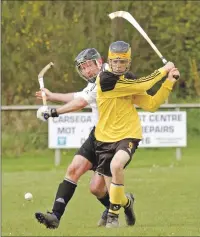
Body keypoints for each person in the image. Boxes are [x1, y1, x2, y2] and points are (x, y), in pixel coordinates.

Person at [94, 40, 180, 228]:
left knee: (117, 165)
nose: (118, 65)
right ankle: (127, 203)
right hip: (104, 138)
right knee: (112, 190)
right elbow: (143, 85)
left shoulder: (130, 80)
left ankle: (113, 217)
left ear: (128, 62)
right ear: (109, 61)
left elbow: (151, 105)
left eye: (122, 62)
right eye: (115, 61)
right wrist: (164, 70)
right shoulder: (106, 80)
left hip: (129, 134)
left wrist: (169, 82)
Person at [35, 48, 110, 229]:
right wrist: (52, 96)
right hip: (97, 135)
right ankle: (55, 216)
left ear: (98, 62)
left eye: (88, 66)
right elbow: (79, 96)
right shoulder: (95, 80)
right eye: (82, 68)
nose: (86, 71)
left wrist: (53, 112)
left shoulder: (107, 77)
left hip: (113, 139)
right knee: (73, 169)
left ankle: (122, 203)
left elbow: (81, 103)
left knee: (96, 189)